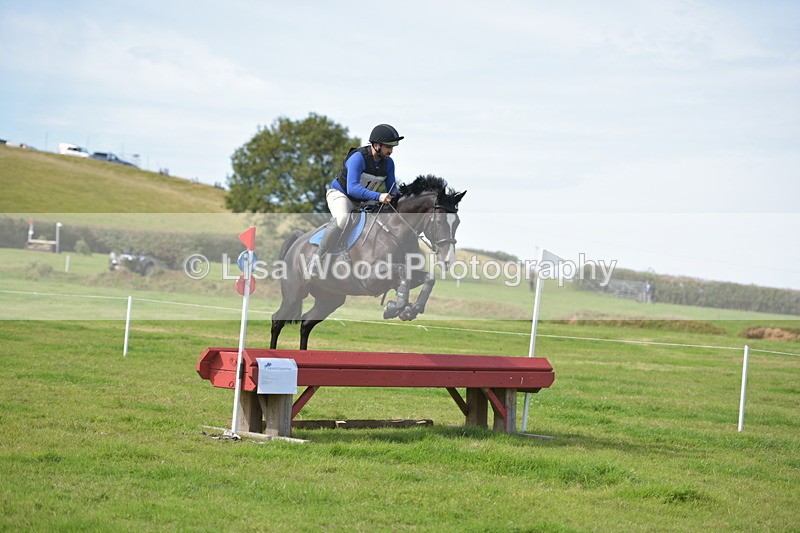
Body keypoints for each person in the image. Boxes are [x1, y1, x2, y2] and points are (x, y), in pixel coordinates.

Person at [310, 123, 403, 275]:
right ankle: (317, 259)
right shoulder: (358, 158)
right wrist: (379, 196)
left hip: (364, 201)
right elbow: (352, 188)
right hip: (341, 195)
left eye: (392, 147)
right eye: (388, 147)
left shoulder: (388, 163)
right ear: (376, 145)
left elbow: (392, 187)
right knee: (343, 220)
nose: (391, 151)